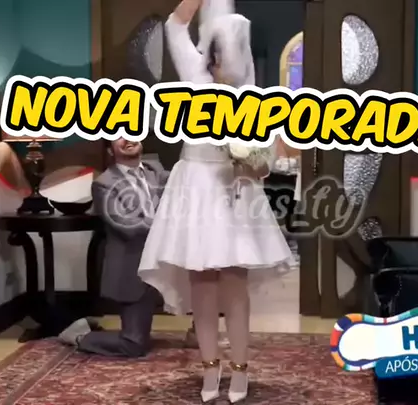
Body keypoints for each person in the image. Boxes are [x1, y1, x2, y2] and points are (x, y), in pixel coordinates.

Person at [138, 0, 295, 402]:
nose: (229, 63)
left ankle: (240, 369)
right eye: (222, 54)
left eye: (236, 54)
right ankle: (210, 368)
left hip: (235, 194)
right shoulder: (193, 76)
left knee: (234, 285)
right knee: (202, 285)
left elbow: (265, 165)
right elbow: (175, 24)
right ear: (210, 55)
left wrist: (251, 161)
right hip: (195, 187)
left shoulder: (252, 98)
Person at [58, 139, 168, 357]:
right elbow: (129, 227)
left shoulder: (156, 170)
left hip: (166, 264)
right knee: (134, 344)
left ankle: (198, 332)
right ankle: (79, 336)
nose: (128, 138)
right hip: (134, 271)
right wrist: (170, 224)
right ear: (109, 149)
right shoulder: (104, 184)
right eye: (119, 135)